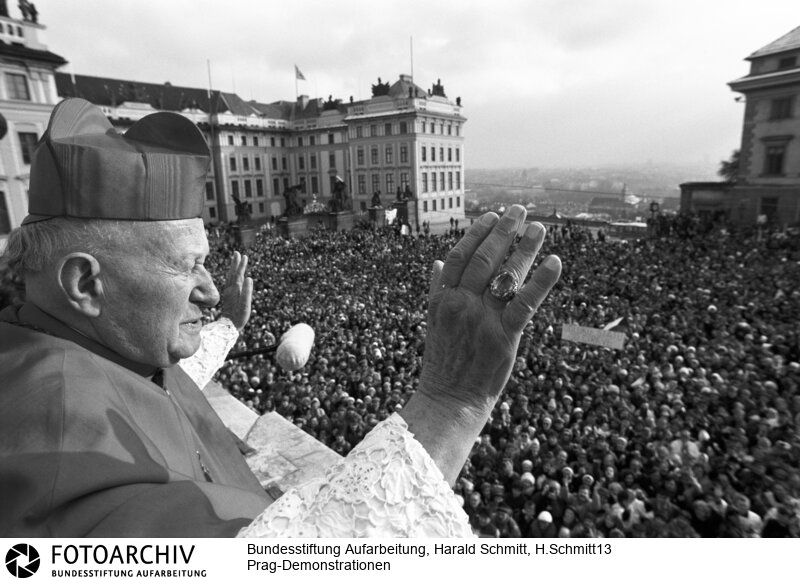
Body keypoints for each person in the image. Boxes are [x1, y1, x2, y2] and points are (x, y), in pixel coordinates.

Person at [0, 98, 562, 538]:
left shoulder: (61, 354)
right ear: (85, 284)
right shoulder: (58, 461)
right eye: (187, 266)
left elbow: (130, 396)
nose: (209, 289)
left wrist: (224, 333)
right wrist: (450, 402)